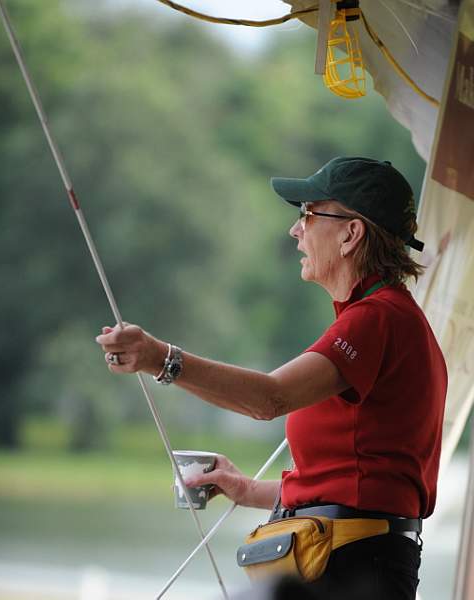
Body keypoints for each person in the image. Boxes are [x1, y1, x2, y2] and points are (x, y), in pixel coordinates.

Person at [95, 156, 447, 600]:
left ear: (351, 234)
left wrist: (158, 358)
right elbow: (352, 481)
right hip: (358, 559)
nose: (295, 230)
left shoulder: (379, 319)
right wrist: (245, 490)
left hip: (357, 566)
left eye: (309, 214)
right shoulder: (383, 318)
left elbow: (269, 399)